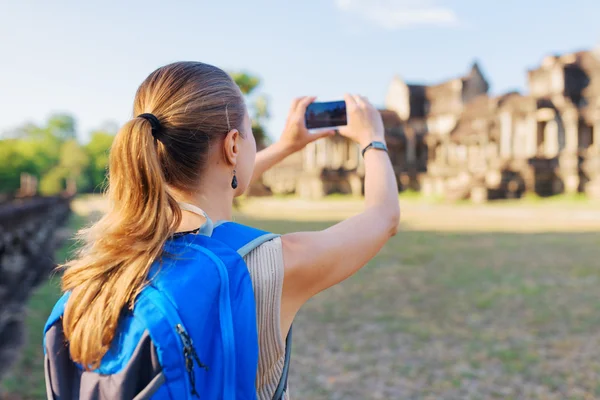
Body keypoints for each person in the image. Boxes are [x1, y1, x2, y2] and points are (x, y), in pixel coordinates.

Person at [43, 61, 399, 399]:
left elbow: (217, 185)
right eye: (247, 135)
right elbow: (384, 217)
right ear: (232, 146)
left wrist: (285, 146)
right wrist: (373, 139)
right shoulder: (268, 266)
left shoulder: (105, 260)